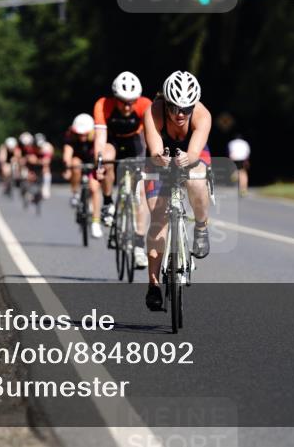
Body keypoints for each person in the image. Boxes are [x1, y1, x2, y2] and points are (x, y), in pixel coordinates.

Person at [142, 70, 212, 311]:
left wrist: (187, 159)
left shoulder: (202, 115)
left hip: (191, 154)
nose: (180, 114)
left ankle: (201, 227)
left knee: (196, 179)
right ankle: (153, 284)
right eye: (174, 108)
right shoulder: (153, 111)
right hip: (160, 158)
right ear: (166, 103)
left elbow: (194, 153)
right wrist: (160, 158)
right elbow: (154, 149)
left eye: (186, 109)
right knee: (158, 218)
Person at [93, 71, 151, 268]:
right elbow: (100, 139)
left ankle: (139, 246)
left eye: (131, 102)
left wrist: (151, 162)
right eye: (123, 102)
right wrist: (99, 165)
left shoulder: (145, 104)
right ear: (115, 98)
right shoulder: (103, 105)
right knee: (106, 159)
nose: (127, 106)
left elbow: (150, 137)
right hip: (113, 141)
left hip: (136, 142)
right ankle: (108, 203)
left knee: (141, 191)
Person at [62, 114, 104, 238]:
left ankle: (96, 222)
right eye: (79, 134)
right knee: (75, 164)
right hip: (78, 158)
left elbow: (100, 152)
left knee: (94, 188)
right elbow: (67, 153)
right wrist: (67, 167)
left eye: (85, 134)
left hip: (92, 160)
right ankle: (75, 193)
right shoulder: (70, 135)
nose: (82, 138)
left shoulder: (97, 135)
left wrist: (99, 169)